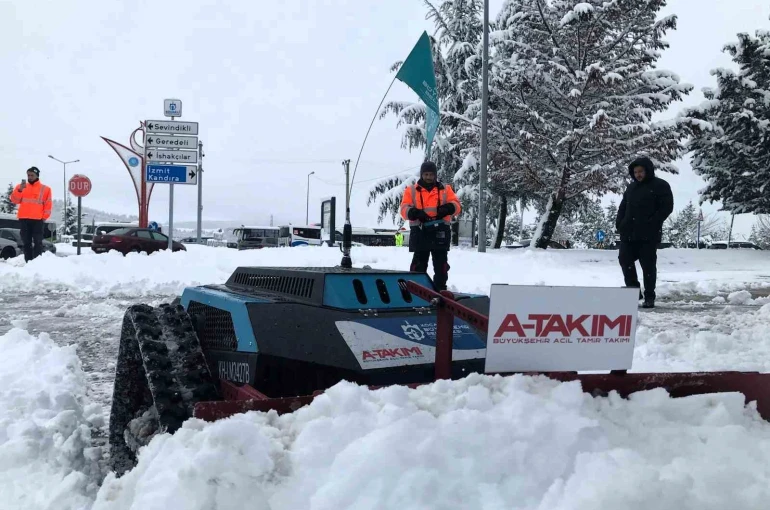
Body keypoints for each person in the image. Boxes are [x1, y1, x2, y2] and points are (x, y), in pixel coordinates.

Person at [615, 156, 674, 308]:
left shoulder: (660, 185)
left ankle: (649, 296)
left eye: (641, 171)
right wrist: (620, 223)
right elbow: (623, 207)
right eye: (635, 172)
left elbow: (666, 207)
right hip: (628, 233)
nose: (638, 174)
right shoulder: (631, 188)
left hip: (648, 234)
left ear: (648, 170)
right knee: (624, 260)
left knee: (648, 266)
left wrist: (652, 223)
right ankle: (633, 291)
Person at [399, 161, 462, 290]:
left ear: (435, 175)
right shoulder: (411, 190)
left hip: (440, 232)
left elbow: (457, 206)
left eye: (431, 174)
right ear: (422, 175)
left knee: (441, 266)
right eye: (426, 174)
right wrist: (414, 212)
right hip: (420, 232)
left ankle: (440, 290)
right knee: (418, 265)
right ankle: (416, 290)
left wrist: (448, 208)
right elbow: (403, 209)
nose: (428, 177)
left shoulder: (445, 189)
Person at [10, 166, 53, 262]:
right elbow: (14, 200)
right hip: (24, 219)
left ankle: (36, 263)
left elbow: (48, 204)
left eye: (32, 175)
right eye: (28, 175)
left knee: (38, 242)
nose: (29, 177)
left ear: (37, 175)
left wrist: (44, 217)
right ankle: (28, 262)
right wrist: (19, 190)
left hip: (38, 220)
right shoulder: (20, 187)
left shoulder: (45, 189)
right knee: (26, 243)